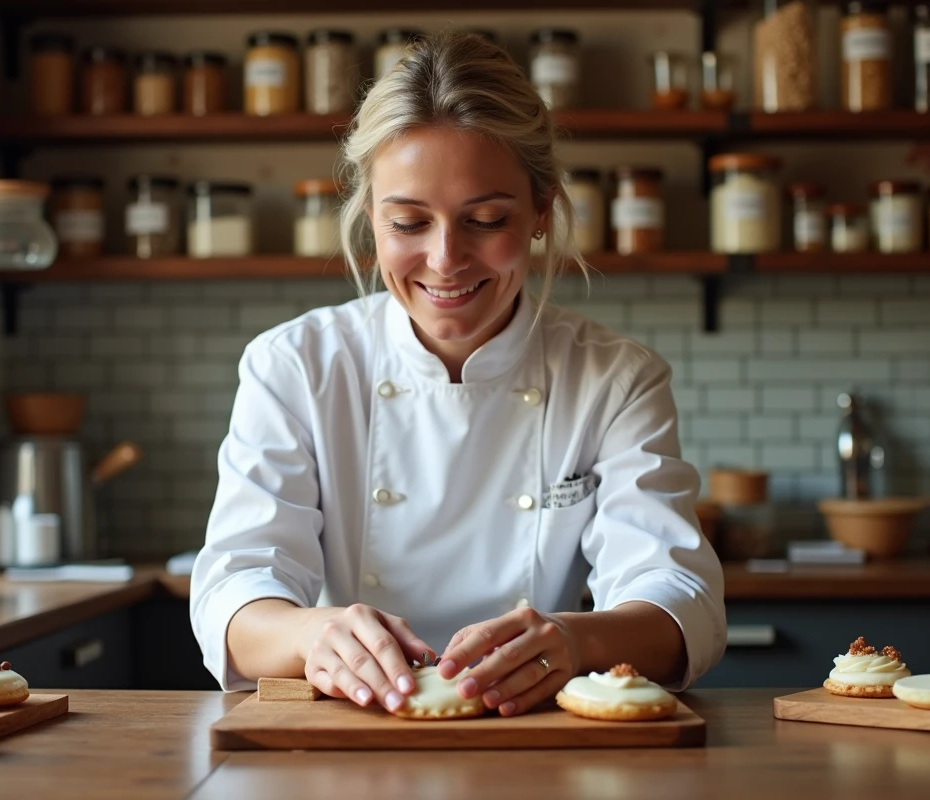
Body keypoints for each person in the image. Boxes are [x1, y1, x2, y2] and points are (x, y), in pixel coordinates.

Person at [190, 31, 725, 718]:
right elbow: (234, 595)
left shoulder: (615, 379)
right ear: (370, 219)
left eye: (485, 219)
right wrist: (315, 633)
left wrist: (571, 640)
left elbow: (679, 599)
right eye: (409, 221)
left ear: (540, 211)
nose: (445, 259)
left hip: (537, 735)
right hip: (348, 739)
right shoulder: (296, 366)